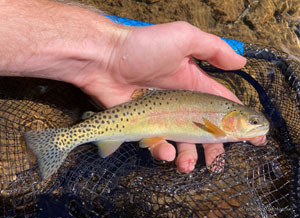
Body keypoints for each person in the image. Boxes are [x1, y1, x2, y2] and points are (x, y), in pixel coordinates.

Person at [0, 0, 266, 173]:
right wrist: (110, 53)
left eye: (254, 122)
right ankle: (61, 140)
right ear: (232, 119)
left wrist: (110, 52)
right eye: (253, 122)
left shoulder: (220, 121)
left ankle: (62, 140)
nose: (258, 125)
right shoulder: (218, 127)